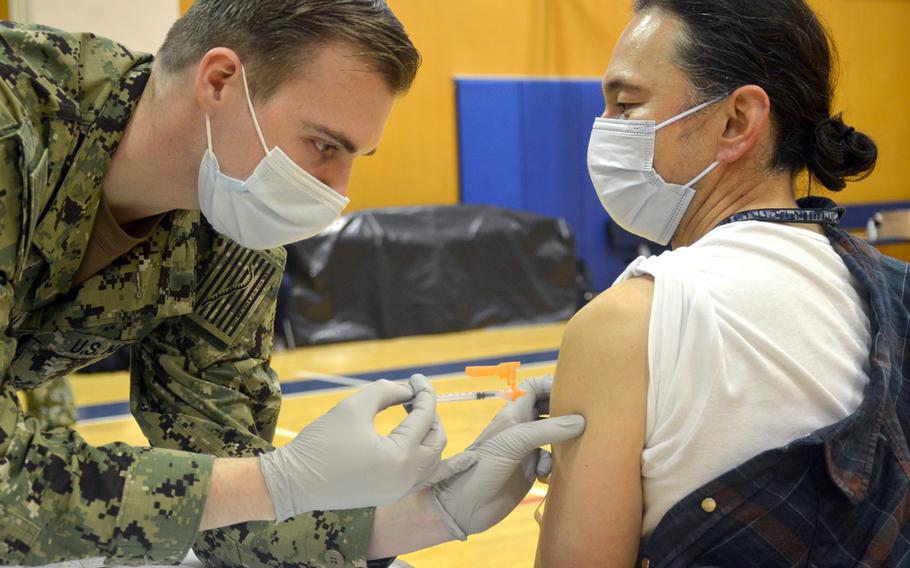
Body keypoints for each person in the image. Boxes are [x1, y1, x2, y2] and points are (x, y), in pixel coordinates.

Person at [0, 1, 585, 566]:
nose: (337, 192)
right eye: (324, 146)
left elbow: (227, 494)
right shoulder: (15, 127)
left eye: (356, 157)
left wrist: (433, 513)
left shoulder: (230, 230)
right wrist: (277, 479)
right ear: (221, 81)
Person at [535, 0, 910, 565]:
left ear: (737, 121)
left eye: (626, 103)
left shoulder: (625, 323)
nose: (604, 130)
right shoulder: (895, 288)